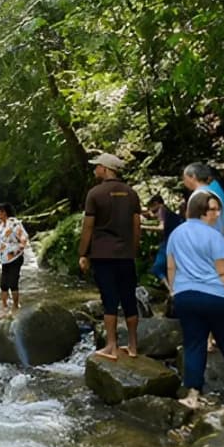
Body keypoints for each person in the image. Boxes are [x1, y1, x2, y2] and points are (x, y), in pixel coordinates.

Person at [166, 191, 224, 410]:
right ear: (201, 211)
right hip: (217, 297)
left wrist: (174, 291)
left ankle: (193, 397)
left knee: (194, 345)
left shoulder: (176, 234)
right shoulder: (214, 236)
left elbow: (171, 267)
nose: (218, 214)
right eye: (213, 209)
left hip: (186, 296)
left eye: (218, 209)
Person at [78, 152, 142, 360]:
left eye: (97, 166)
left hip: (103, 254)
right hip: (126, 255)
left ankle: (111, 346)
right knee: (129, 298)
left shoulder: (95, 194)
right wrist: (133, 249)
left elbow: (88, 226)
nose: (95, 169)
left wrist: (83, 253)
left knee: (109, 300)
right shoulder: (131, 193)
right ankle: (133, 346)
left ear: (105, 169)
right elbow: (136, 225)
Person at [182, 163, 224, 239]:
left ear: (193, 176)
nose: (183, 182)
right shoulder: (222, 188)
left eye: (184, 178)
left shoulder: (200, 194)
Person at [143, 195, 183, 292]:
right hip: (178, 242)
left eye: (154, 211)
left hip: (169, 242)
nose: (155, 215)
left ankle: (171, 290)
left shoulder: (162, 210)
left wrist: (143, 227)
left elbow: (162, 227)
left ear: (157, 204)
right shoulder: (171, 214)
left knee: (157, 268)